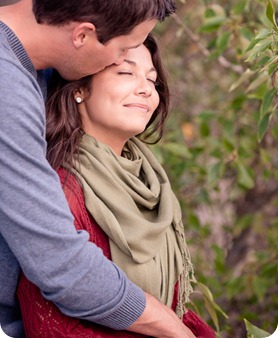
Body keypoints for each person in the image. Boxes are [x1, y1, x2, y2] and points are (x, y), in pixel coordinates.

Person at [0, 0, 199, 338]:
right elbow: (60, 264)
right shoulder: (6, 89)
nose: (120, 62)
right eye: (123, 52)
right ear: (82, 35)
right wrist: (174, 329)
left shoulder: (37, 67)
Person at [17, 33, 216, 338]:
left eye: (152, 80)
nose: (146, 89)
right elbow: (48, 326)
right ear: (79, 88)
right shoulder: (59, 191)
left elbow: (174, 311)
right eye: (126, 73)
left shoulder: (150, 184)